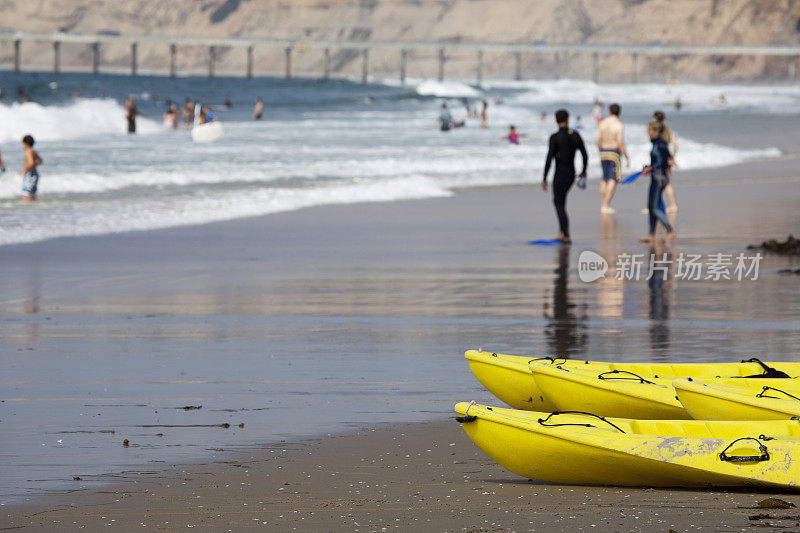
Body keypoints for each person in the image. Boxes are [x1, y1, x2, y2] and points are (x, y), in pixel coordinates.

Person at [542, 109, 588, 244]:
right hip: (571, 175)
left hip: (559, 175)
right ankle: (562, 232)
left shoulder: (555, 137)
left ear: (556, 121)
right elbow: (585, 155)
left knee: (558, 203)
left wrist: (544, 178)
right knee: (561, 202)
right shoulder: (575, 135)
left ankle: (566, 235)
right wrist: (584, 171)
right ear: (567, 119)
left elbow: (549, 158)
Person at [640, 121, 675, 244]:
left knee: (654, 207)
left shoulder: (661, 144)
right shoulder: (657, 144)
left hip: (660, 179)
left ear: (656, 131)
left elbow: (664, 161)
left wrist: (651, 168)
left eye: (649, 131)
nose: (647, 133)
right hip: (655, 177)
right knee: (650, 206)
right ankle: (651, 234)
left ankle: (670, 230)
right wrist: (649, 167)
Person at [597, 103, 630, 214]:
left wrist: (601, 151)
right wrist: (626, 156)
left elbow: (598, 141)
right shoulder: (619, 125)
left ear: (610, 111)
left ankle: (603, 204)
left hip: (603, 151)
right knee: (613, 179)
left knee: (605, 178)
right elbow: (620, 142)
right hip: (614, 152)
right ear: (619, 112)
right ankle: (606, 205)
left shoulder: (602, 123)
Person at [652, 110, 678, 212]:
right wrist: (673, 157)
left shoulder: (657, 129)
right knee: (667, 182)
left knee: (660, 182)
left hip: (659, 157)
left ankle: (656, 205)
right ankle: (673, 205)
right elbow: (675, 145)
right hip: (668, 157)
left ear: (655, 118)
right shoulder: (668, 129)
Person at [19, 135, 43, 201]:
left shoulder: (28, 151)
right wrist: (35, 165)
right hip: (35, 174)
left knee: (25, 194)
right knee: (32, 194)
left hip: (29, 174)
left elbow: (31, 163)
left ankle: (25, 210)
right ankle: (34, 208)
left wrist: (24, 169)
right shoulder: (33, 151)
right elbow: (41, 161)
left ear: (25, 143)